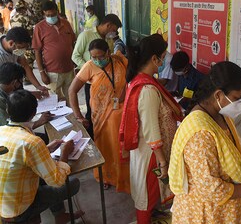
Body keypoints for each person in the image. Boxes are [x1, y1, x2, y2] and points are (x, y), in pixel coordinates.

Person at [168, 61, 241, 223]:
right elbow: (210, 189)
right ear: (218, 95)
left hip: (223, 211)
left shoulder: (222, 116)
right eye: (236, 98)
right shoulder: (200, 134)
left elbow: (229, 151)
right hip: (205, 213)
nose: (240, 103)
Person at [119, 34, 183, 223]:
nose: (165, 61)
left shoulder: (139, 80)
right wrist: (162, 161)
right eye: (164, 56)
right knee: (147, 194)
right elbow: (151, 129)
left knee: (148, 191)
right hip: (152, 155)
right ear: (155, 59)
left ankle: (152, 216)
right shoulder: (147, 90)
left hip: (147, 151)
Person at [0, 90, 84, 224]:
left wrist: (46, 149)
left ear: (7, 109)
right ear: (34, 113)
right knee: (72, 184)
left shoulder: (2, 131)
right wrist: (64, 154)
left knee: (45, 171)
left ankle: (60, 215)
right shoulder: (32, 142)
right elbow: (57, 181)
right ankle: (55, 215)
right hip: (19, 209)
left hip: (4, 202)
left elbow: (18, 156)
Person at [69, 39, 129, 191]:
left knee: (120, 146)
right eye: (93, 57)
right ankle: (105, 176)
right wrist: (78, 116)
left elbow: (132, 76)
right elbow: (72, 90)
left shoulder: (119, 61)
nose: (97, 60)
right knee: (105, 146)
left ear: (108, 53)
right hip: (100, 116)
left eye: (100, 57)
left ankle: (122, 177)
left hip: (121, 113)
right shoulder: (89, 66)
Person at [72, 14, 122, 139]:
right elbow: (75, 55)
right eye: (114, 30)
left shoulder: (109, 41)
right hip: (92, 83)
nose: (114, 33)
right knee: (91, 117)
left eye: (101, 57)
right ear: (108, 25)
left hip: (113, 97)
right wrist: (91, 70)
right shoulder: (86, 35)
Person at [32, 1, 76, 102]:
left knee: (71, 97)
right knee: (54, 100)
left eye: (53, 14)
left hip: (69, 69)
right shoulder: (39, 28)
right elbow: (37, 51)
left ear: (58, 12)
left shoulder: (66, 24)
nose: (51, 17)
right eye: (48, 15)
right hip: (52, 71)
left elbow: (73, 43)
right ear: (44, 14)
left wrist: (74, 61)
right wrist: (42, 72)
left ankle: (71, 117)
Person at [0, 62, 52, 143]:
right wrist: (38, 122)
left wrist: (32, 94)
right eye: (21, 82)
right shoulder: (1, 102)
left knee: (44, 138)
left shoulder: (5, 90)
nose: (21, 86)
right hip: (6, 141)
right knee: (41, 140)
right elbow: (10, 130)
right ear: (14, 82)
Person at [0, 27, 48, 94]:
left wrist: (39, 87)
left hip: (13, 82)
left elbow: (25, 66)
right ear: (11, 43)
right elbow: (3, 88)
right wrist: (28, 94)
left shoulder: (14, 45)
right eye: (20, 47)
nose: (22, 51)